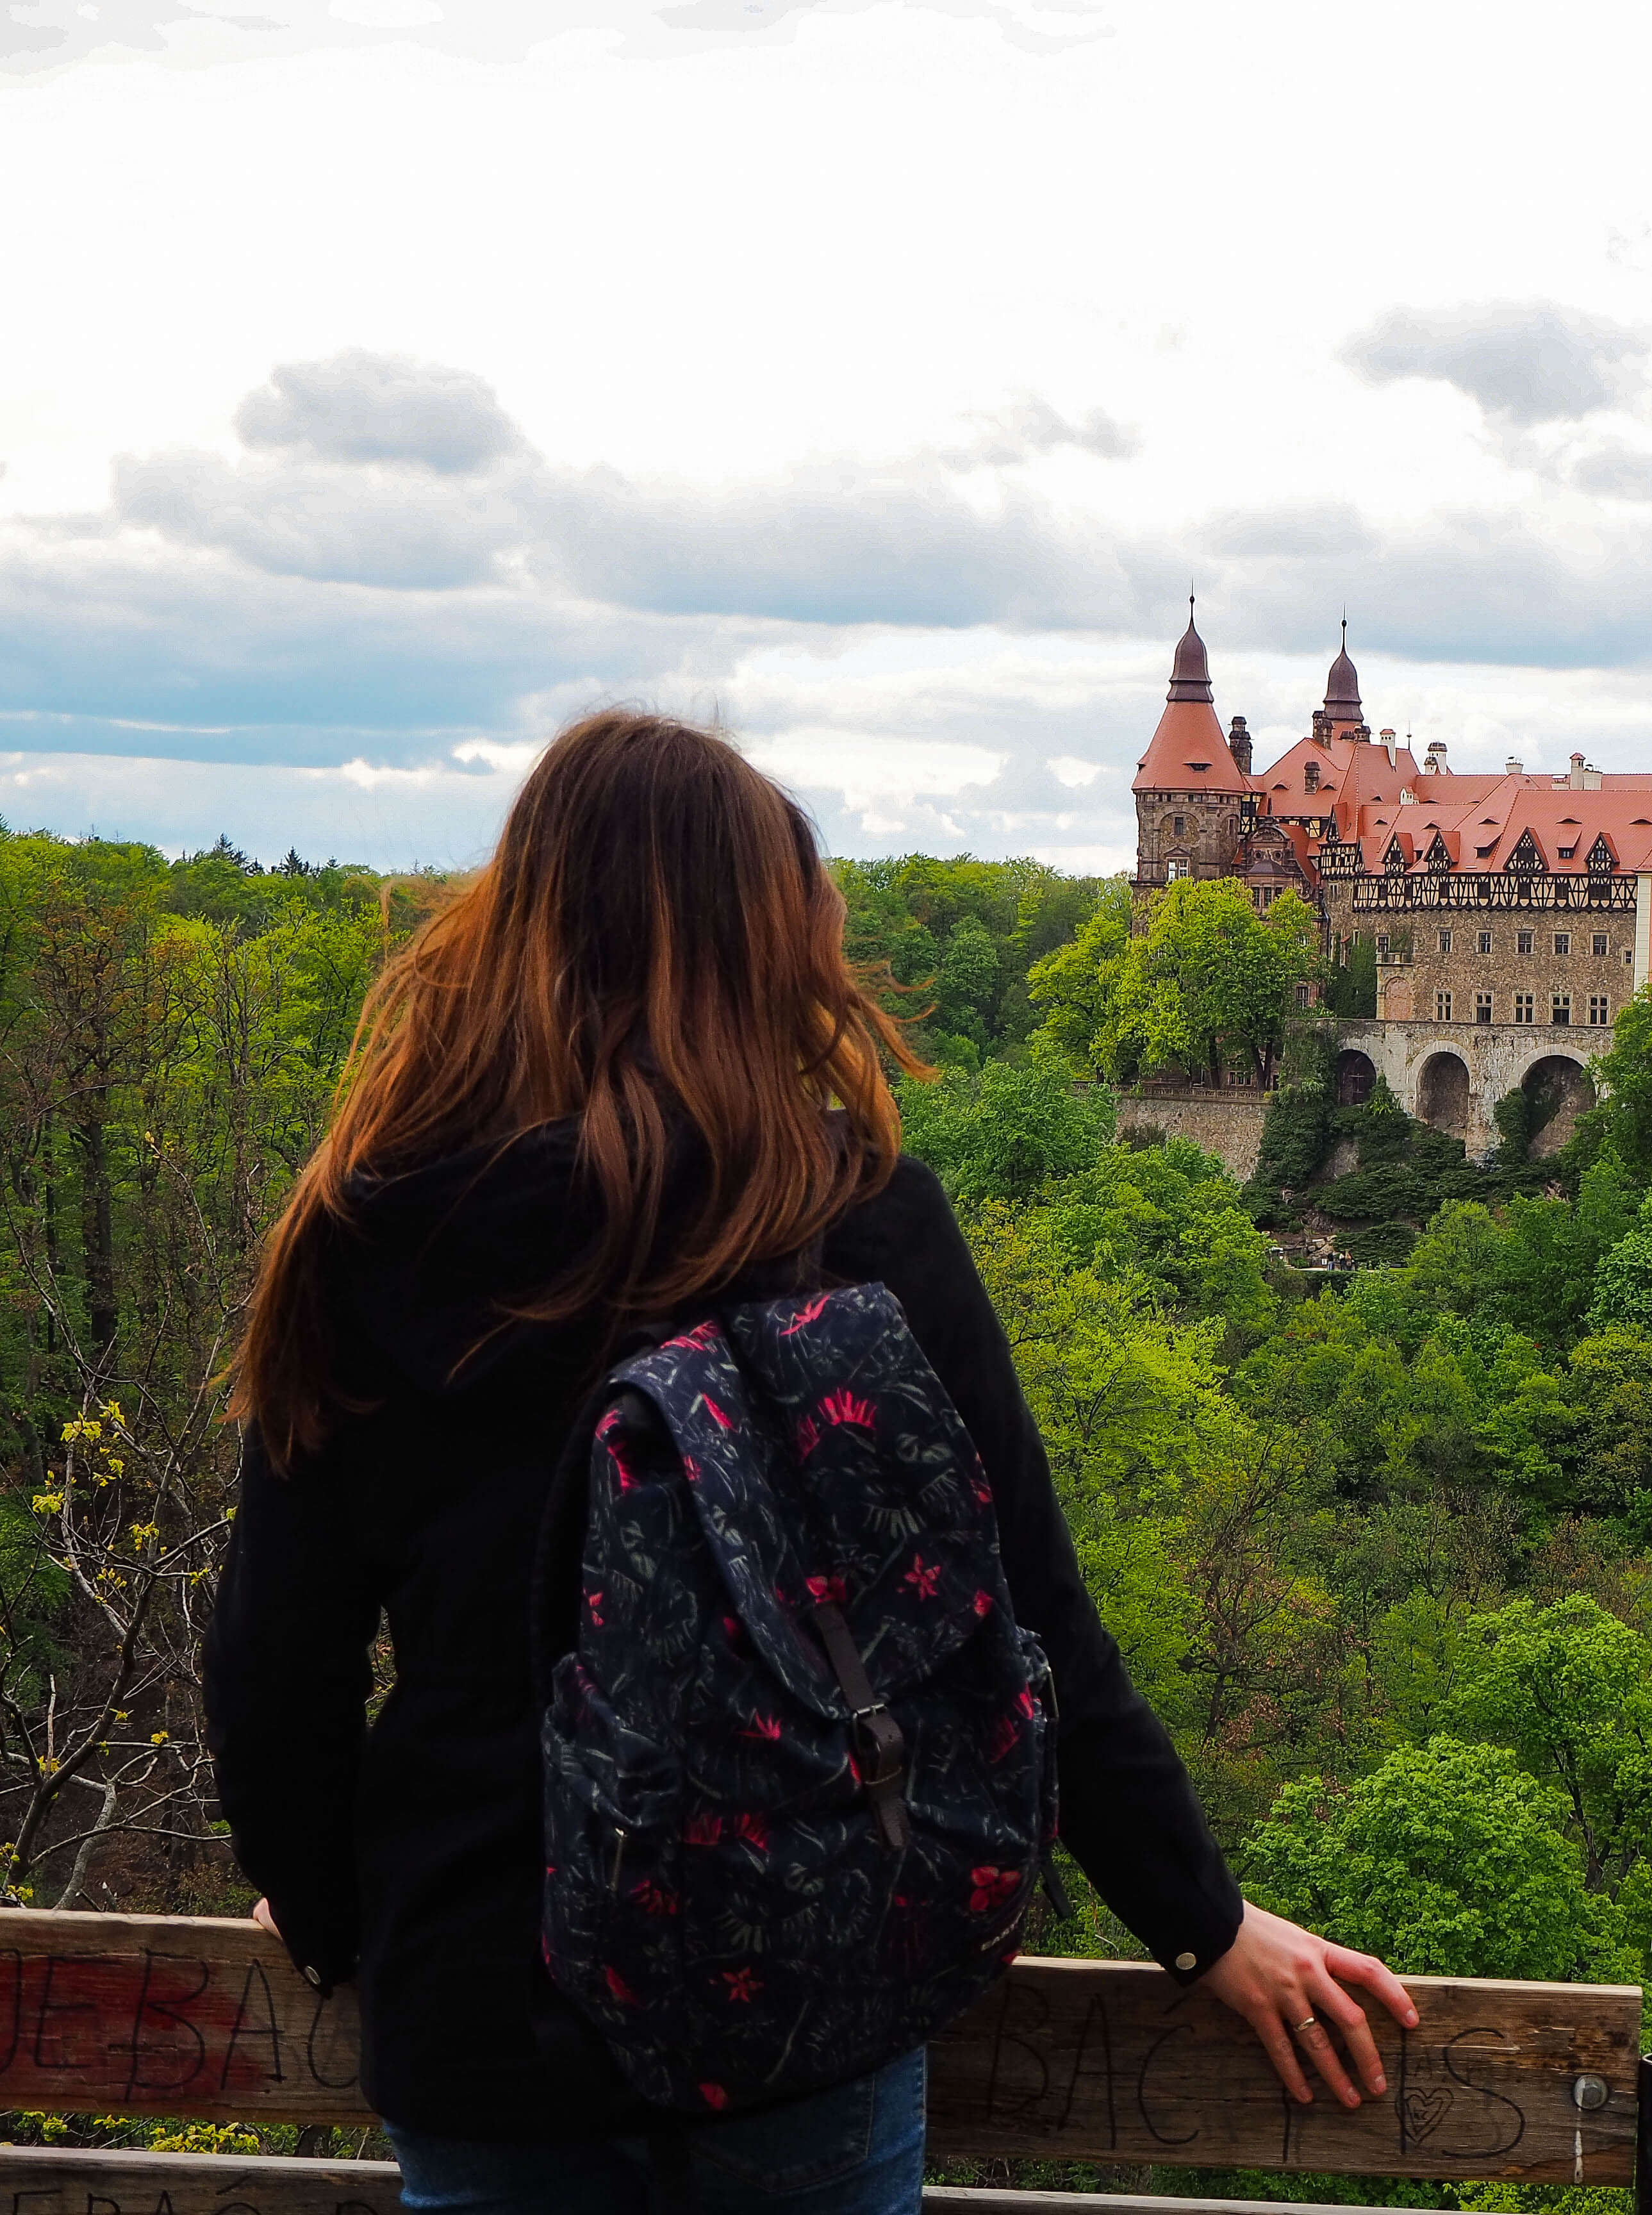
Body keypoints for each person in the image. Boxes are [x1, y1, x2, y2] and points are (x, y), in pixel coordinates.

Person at [206, 713, 1414, 2214]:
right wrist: (1198, 1917)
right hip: (801, 1975)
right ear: (774, 949)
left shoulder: (381, 1235)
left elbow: (277, 1671)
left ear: (514, 929)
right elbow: (1028, 1619)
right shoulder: (858, 1218)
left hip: (484, 1992)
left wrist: (339, 1915)